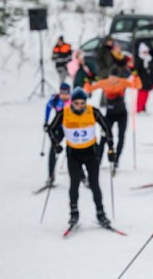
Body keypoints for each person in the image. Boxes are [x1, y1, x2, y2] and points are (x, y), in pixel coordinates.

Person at [47, 89, 115, 228]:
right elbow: (50, 129)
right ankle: (74, 213)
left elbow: (107, 128)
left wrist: (111, 148)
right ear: (72, 102)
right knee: (74, 184)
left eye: (82, 103)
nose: (80, 106)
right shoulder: (64, 113)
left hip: (91, 153)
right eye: (76, 103)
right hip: (74, 154)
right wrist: (56, 144)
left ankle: (100, 213)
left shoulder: (93, 111)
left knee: (94, 184)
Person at [85, 67, 141, 173]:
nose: (113, 80)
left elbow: (138, 86)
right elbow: (89, 89)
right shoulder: (104, 83)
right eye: (111, 78)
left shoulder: (123, 82)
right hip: (109, 114)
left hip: (122, 114)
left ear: (118, 78)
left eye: (115, 78)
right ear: (109, 76)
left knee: (121, 136)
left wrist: (136, 76)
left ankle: (116, 159)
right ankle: (98, 159)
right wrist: (88, 81)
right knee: (104, 136)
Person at [43, 83, 72, 186]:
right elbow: (48, 107)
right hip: (58, 128)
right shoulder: (55, 99)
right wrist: (46, 121)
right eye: (62, 93)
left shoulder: (73, 101)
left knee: (74, 152)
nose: (64, 96)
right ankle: (51, 176)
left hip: (70, 129)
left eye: (66, 93)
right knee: (53, 149)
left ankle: (82, 177)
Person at [134, 42, 153, 113]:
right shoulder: (139, 61)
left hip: (148, 80)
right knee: (141, 95)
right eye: (144, 52)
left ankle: (143, 107)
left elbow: (152, 71)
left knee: (146, 95)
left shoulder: (150, 60)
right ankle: (139, 108)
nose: (145, 53)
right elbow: (136, 71)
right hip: (141, 80)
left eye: (146, 52)